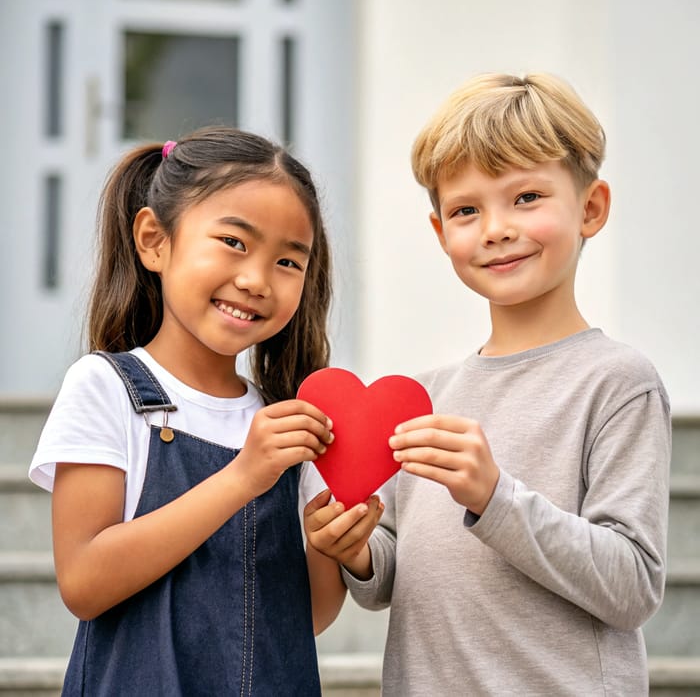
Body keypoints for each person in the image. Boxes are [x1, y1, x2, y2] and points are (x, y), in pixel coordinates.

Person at [304, 73, 671, 695]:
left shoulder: (618, 383)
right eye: (466, 210)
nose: (496, 228)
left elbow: (632, 586)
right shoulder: (423, 396)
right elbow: (392, 578)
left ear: (591, 208)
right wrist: (357, 551)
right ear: (441, 232)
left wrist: (495, 497)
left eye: (526, 197)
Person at [29, 125, 381, 696]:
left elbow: (304, 619)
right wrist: (243, 477)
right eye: (235, 243)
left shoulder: (289, 423)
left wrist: (327, 546)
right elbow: (85, 581)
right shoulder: (105, 387)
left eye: (289, 262)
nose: (255, 280)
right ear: (154, 241)